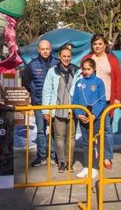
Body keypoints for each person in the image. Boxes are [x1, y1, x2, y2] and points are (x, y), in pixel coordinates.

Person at [81, 34, 121, 170]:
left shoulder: (112, 60)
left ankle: (107, 156)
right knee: (91, 130)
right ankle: (92, 155)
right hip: (90, 102)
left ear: (105, 45)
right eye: (95, 44)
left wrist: (117, 98)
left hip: (107, 100)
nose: (97, 46)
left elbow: (117, 79)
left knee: (107, 130)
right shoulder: (87, 59)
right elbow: (81, 78)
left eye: (100, 43)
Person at [41, 44, 79, 173]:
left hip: (72, 109)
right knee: (59, 137)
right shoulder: (52, 71)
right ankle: (61, 161)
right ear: (59, 57)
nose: (66, 59)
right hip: (57, 109)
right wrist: (46, 110)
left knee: (71, 137)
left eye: (68, 56)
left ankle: (69, 162)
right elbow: (47, 91)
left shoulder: (76, 71)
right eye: (64, 56)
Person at [22, 39, 58, 167]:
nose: (45, 51)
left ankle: (54, 155)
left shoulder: (56, 63)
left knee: (54, 130)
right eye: (43, 49)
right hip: (38, 103)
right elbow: (25, 82)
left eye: (47, 48)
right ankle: (41, 156)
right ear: (38, 50)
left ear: (51, 49)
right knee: (41, 130)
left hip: (54, 104)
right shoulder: (32, 65)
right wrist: (34, 92)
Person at [72, 58, 106, 180]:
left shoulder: (99, 82)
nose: (86, 71)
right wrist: (79, 114)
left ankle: (95, 167)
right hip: (83, 118)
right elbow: (75, 101)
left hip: (94, 118)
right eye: (84, 69)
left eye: (89, 69)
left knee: (94, 142)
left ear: (94, 69)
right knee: (86, 143)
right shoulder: (78, 83)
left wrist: (94, 115)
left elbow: (102, 101)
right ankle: (87, 166)